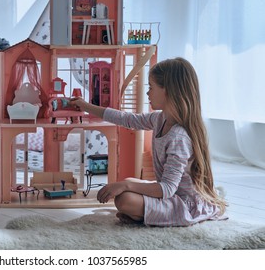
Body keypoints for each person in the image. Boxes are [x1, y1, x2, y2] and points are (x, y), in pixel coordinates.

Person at [70, 57, 227, 227]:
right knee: (128, 185)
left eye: (151, 87)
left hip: (183, 204)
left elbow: (166, 189)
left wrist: (125, 185)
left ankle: (145, 215)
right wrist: (86, 107)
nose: (147, 93)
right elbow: (126, 119)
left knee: (125, 198)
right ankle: (144, 215)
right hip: (170, 196)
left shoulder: (178, 137)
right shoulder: (159, 119)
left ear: (169, 91)